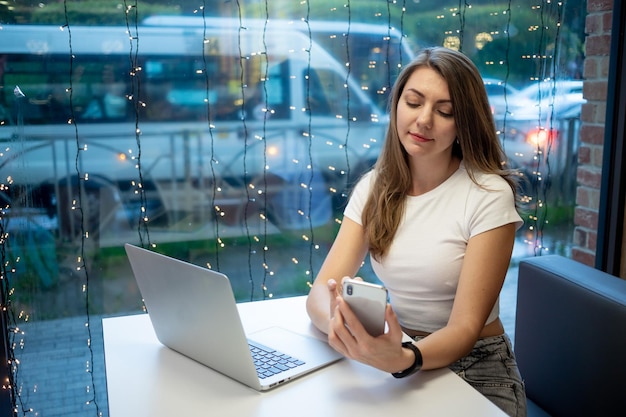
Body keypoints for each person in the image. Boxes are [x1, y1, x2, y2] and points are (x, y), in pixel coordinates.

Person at [306, 46, 527, 417]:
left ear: (464, 124)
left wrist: (403, 358)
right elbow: (319, 293)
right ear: (396, 107)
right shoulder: (374, 187)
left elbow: (466, 327)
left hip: (477, 368)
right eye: (413, 102)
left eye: (445, 112)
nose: (424, 120)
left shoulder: (488, 195)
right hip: (398, 355)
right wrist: (350, 334)